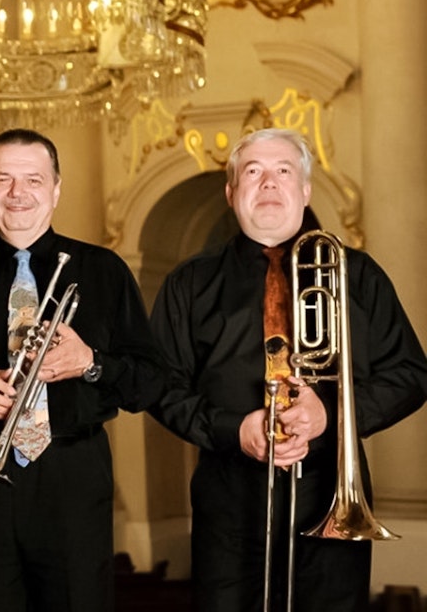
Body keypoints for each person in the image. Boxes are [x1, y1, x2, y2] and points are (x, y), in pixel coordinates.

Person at [149, 127, 427, 611]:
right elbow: (158, 385)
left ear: (305, 190)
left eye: (283, 172)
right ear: (232, 192)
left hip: (331, 490)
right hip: (228, 498)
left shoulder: (358, 275)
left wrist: (334, 415)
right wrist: (236, 430)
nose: (270, 183)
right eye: (253, 172)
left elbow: (410, 374)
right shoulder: (189, 283)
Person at [0, 128, 166, 612]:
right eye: (3, 179)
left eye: (33, 179)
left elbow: (150, 382)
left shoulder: (104, 271)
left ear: (56, 189)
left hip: (72, 477)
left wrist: (90, 363)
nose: (18, 194)